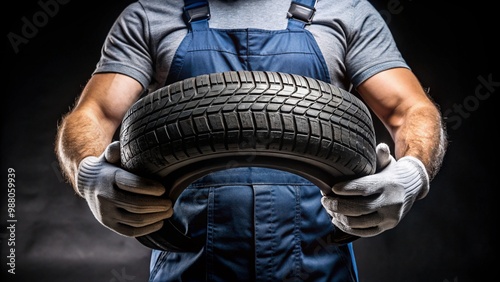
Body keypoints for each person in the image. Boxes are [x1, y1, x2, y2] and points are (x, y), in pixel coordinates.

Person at [55, 0, 447, 281]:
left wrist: (411, 174)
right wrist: (90, 175)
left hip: (318, 263)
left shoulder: (345, 11)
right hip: (189, 263)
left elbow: (410, 109)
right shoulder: (149, 14)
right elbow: (94, 115)